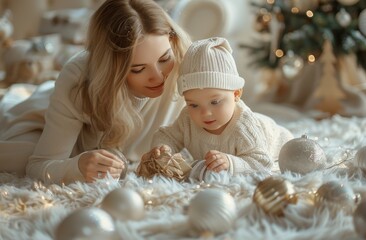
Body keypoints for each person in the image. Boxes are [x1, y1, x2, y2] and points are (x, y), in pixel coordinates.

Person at [0, 0, 191, 184]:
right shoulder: (78, 79)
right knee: (19, 159)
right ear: (111, 70)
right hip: (49, 115)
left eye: (164, 58)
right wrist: (76, 167)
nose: (157, 77)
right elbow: (39, 166)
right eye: (138, 69)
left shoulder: (186, 61)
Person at [141, 37, 293, 178]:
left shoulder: (244, 126)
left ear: (236, 94)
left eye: (215, 102)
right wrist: (162, 148)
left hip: (278, 141)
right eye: (193, 104)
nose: (205, 113)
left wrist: (230, 162)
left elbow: (262, 163)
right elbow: (167, 135)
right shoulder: (187, 118)